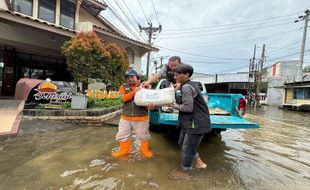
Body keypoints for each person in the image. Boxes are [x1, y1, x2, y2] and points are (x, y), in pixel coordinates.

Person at [168, 64, 211, 179]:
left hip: (195, 123)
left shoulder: (187, 87)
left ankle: (185, 171)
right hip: (191, 122)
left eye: (177, 75)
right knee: (182, 143)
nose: (175, 77)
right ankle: (199, 163)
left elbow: (188, 108)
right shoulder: (188, 85)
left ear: (186, 75)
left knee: (187, 148)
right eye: (174, 75)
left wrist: (173, 105)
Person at [112, 69, 155, 158]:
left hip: (141, 117)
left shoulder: (145, 87)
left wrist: (151, 107)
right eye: (128, 78)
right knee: (122, 135)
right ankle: (124, 150)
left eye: (132, 77)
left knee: (143, 135)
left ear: (137, 77)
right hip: (125, 117)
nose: (130, 79)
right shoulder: (123, 87)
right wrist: (134, 91)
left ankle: (144, 150)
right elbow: (122, 99)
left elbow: (149, 102)